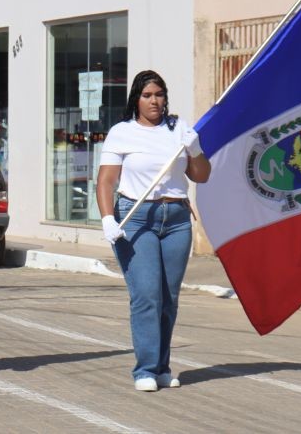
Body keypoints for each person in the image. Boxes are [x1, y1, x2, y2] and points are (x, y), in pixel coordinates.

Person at [96, 70, 211, 392]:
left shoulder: (179, 130)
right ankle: (145, 369)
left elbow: (201, 176)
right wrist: (107, 218)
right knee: (146, 294)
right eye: (147, 95)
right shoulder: (122, 132)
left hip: (175, 218)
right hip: (136, 217)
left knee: (168, 298)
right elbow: (106, 181)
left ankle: (162, 367)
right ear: (136, 98)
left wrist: (196, 148)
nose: (154, 101)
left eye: (159, 94)